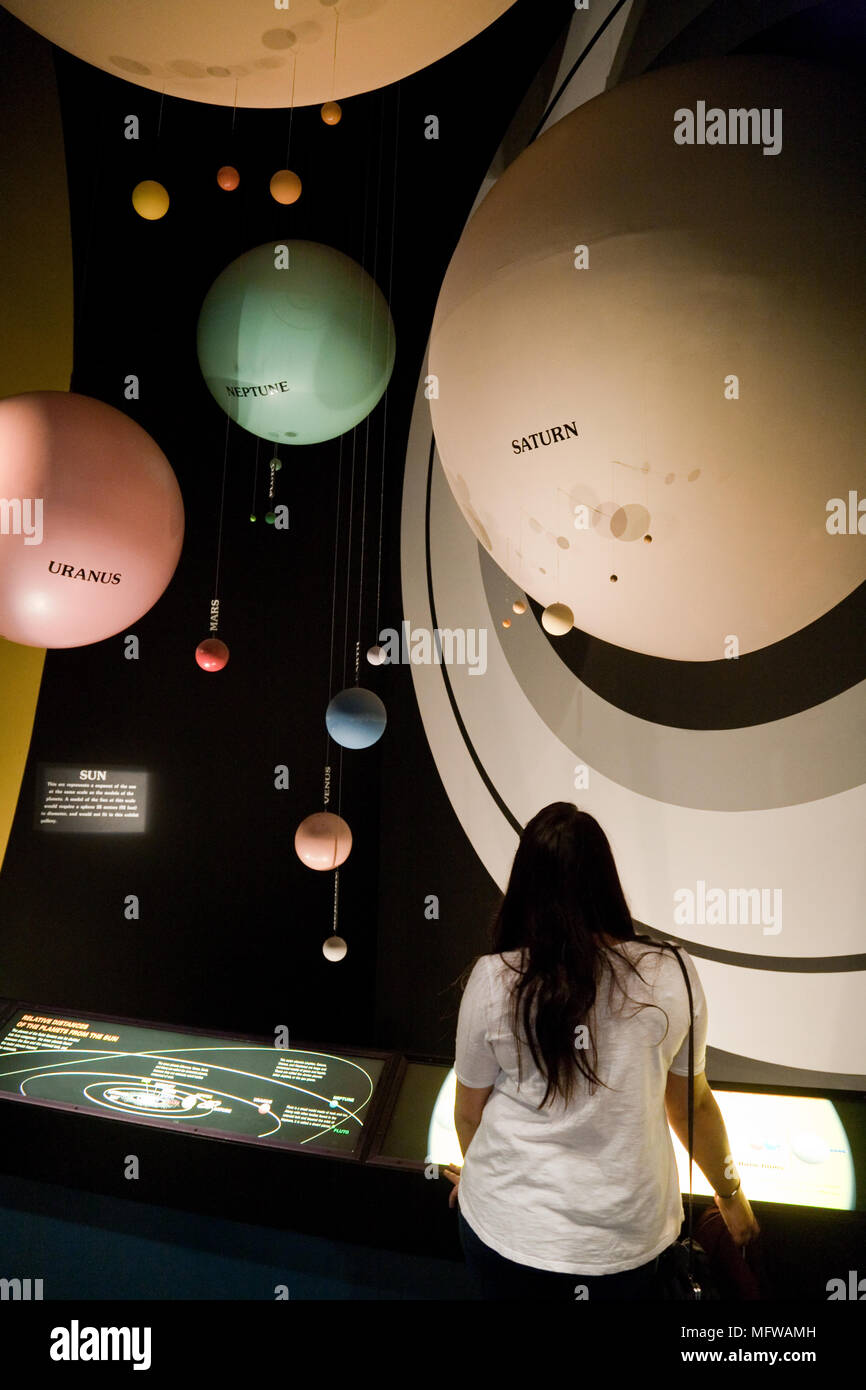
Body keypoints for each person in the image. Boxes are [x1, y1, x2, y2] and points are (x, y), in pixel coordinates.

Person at [442, 802, 760, 1300]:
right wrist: (731, 1196)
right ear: (607, 879)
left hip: (506, 1233)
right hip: (628, 1245)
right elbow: (691, 1106)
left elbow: (468, 1115)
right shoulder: (671, 973)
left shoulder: (493, 979)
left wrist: (484, 1176)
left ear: (523, 885)